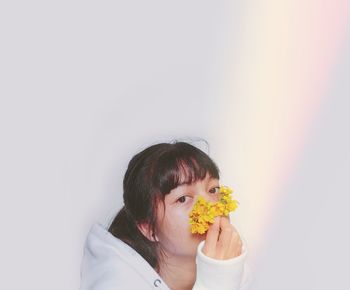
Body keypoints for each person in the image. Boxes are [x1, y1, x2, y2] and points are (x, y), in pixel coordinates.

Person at [79, 141, 252, 290]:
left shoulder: (236, 269)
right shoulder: (115, 285)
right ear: (149, 228)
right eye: (183, 198)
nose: (210, 206)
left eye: (213, 190)